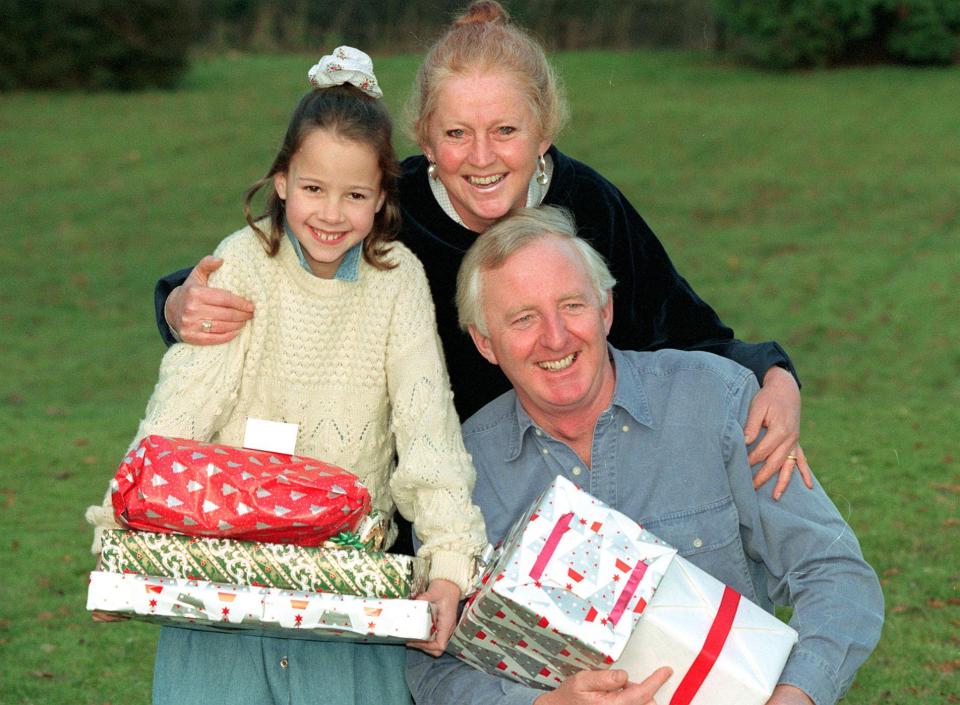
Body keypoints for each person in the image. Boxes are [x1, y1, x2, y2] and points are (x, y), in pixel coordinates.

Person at [152, 0, 812, 500]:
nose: (483, 156)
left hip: (572, 492)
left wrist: (775, 375)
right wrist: (183, 299)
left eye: (505, 130)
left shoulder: (590, 208)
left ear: (543, 130)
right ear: (424, 140)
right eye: (458, 133)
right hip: (423, 500)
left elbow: (686, 335)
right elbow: (271, 263)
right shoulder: (387, 205)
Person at [85, 47, 486, 705]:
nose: (330, 214)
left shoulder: (399, 282)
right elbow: (177, 416)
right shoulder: (239, 265)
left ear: (383, 195)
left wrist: (447, 565)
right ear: (280, 181)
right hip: (220, 592)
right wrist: (118, 543)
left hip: (348, 601)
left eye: (354, 194)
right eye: (312, 189)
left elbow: (427, 432)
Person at [406, 206, 884, 705]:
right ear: (485, 343)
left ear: (606, 309)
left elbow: (834, 573)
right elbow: (435, 667)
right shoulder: (458, 473)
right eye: (523, 319)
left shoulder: (717, 402)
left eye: (571, 305)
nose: (555, 336)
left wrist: (794, 696)